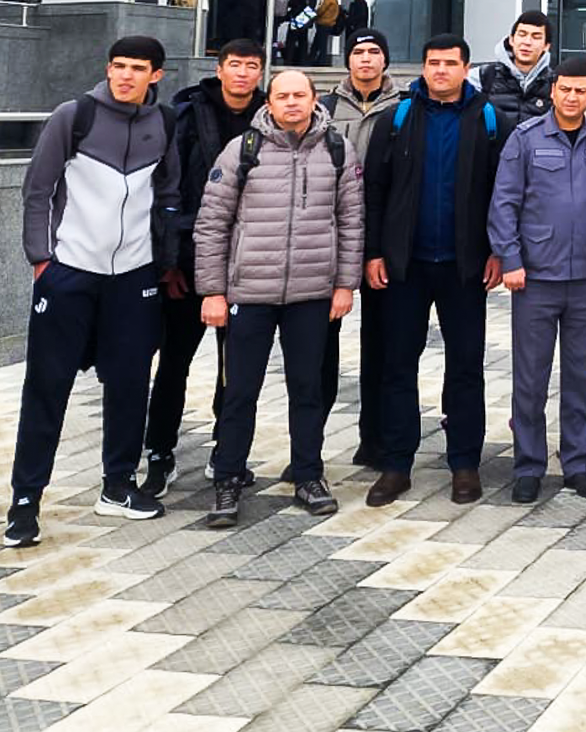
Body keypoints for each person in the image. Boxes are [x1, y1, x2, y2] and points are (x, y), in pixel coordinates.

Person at [5, 36, 181, 547]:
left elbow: (168, 194)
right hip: (70, 272)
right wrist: (41, 260)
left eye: (137, 68)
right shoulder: (74, 115)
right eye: (118, 65)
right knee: (47, 387)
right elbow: (37, 190)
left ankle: (118, 486)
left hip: (134, 276)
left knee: (129, 384)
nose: (125, 75)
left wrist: (163, 262)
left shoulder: (165, 122)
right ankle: (25, 501)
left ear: (156, 75)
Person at [194, 70, 363, 526]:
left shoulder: (337, 149)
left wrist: (345, 284)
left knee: (308, 389)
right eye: (282, 95)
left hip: (312, 292)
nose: (291, 102)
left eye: (299, 95)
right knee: (239, 391)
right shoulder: (242, 150)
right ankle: (228, 478)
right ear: (269, 101)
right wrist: (212, 291)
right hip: (249, 292)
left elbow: (351, 221)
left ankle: (309, 475)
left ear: (313, 98)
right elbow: (212, 224)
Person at [362, 34, 510, 507]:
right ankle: (396, 464)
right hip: (405, 266)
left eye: (449, 63)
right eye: (433, 63)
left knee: (465, 366)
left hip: (466, 268)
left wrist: (498, 251)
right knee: (397, 365)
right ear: (423, 68)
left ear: (466, 68)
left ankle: (464, 463)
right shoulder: (397, 118)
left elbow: (503, 194)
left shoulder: (490, 120)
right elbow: (375, 191)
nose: (440, 70)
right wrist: (374, 252)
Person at [140, 37, 265, 498]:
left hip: (249, 262)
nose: (242, 73)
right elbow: (167, 188)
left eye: (251, 66)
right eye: (235, 64)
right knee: (174, 362)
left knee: (238, 368)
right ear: (220, 68)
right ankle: (159, 453)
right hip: (189, 261)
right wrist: (169, 262)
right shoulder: (187, 113)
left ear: (260, 72)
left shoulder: (270, 116)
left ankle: (227, 451)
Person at [489, 57, 586, 505]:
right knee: (530, 378)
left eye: (581, 91)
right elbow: (504, 202)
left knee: (581, 376)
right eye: (565, 89)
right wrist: (510, 259)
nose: (572, 97)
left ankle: (578, 463)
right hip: (536, 276)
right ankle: (528, 466)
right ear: (553, 91)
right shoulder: (525, 139)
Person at [320, 28, 399, 464]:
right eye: (358, 52)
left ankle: (376, 439)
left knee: (382, 345)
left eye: (373, 52)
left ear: (385, 60)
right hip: (331, 238)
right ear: (347, 59)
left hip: (384, 238)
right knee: (320, 346)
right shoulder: (325, 109)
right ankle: (308, 445)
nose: (365, 59)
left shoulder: (404, 107)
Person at [477, 9, 556, 131]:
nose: (527, 42)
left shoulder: (555, 83)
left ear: (546, 46)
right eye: (522, 34)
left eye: (536, 37)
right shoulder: (483, 76)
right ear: (511, 40)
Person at [284, 0, 316, 66]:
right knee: (303, 40)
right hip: (306, 16)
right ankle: (303, 61)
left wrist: (289, 6)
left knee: (291, 40)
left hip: (297, 16)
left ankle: (288, 61)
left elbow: (293, 1)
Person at [311, 0, 342, 66]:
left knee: (321, 44)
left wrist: (312, 14)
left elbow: (321, 10)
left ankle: (321, 62)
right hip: (327, 23)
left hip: (324, 24)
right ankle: (315, 60)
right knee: (318, 44)